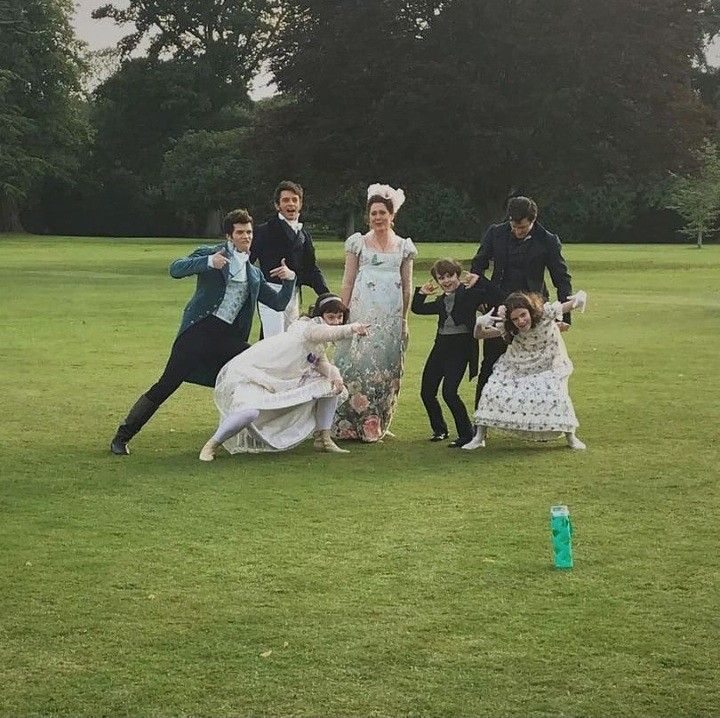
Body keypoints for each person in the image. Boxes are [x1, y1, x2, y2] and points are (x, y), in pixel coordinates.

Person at [109, 208, 296, 456]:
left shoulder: (253, 273)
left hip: (228, 339)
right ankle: (121, 437)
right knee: (166, 385)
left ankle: (262, 435)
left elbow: (279, 304)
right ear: (229, 235)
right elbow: (175, 269)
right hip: (197, 333)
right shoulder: (211, 253)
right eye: (240, 232)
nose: (246, 237)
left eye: (249, 232)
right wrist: (209, 262)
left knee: (255, 371)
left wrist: (290, 279)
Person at [198, 294, 369, 460]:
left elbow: (322, 363)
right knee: (248, 413)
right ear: (319, 315)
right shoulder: (308, 328)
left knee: (330, 386)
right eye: (331, 317)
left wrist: (336, 377)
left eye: (340, 317)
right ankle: (212, 444)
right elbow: (325, 333)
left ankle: (323, 439)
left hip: (281, 382)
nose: (336, 322)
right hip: (253, 376)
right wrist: (352, 328)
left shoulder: (317, 341)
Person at [465, 196, 573, 409]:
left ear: (533, 220)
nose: (517, 231)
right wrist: (478, 290)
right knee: (491, 363)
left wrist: (565, 317)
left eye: (522, 227)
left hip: (533, 311)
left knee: (538, 368)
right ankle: (480, 422)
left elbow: (561, 277)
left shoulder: (548, 240)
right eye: (514, 226)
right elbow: (479, 262)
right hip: (499, 305)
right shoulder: (496, 233)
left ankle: (538, 418)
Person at [331, 183, 417, 442]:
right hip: (361, 313)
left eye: (382, 213)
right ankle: (347, 424)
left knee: (387, 368)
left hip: (390, 318)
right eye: (373, 213)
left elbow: (407, 287)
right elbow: (347, 281)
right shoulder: (358, 243)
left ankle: (376, 421)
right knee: (355, 365)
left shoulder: (404, 247)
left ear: (392, 216)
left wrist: (403, 320)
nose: (378, 218)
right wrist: (341, 317)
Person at [462, 290, 588, 451]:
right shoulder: (510, 327)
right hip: (517, 364)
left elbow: (574, 303)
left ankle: (571, 436)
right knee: (491, 389)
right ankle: (479, 437)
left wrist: (581, 297)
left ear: (531, 311)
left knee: (556, 394)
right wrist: (480, 323)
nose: (520, 321)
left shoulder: (545, 313)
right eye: (515, 318)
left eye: (523, 315)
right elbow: (479, 335)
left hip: (550, 363)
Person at [411, 258, 503, 447]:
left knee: (449, 392)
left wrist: (479, 281)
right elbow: (417, 309)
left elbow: (497, 296)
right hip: (440, 347)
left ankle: (467, 434)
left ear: (457, 275)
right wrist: (421, 293)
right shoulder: (441, 300)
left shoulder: (470, 294)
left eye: (450, 276)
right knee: (427, 391)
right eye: (441, 278)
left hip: (461, 349)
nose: (446, 281)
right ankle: (439, 429)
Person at [250, 180, 330, 337]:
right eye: (285, 200)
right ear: (277, 205)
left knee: (290, 341)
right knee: (274, 340)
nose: (291, 204)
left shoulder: (304, 235)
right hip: (271, 292)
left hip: (293, 294)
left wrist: (327, 296)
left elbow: (311, 269)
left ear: (300, 203)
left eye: (295, 199)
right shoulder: (263, 231)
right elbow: (248, 262)